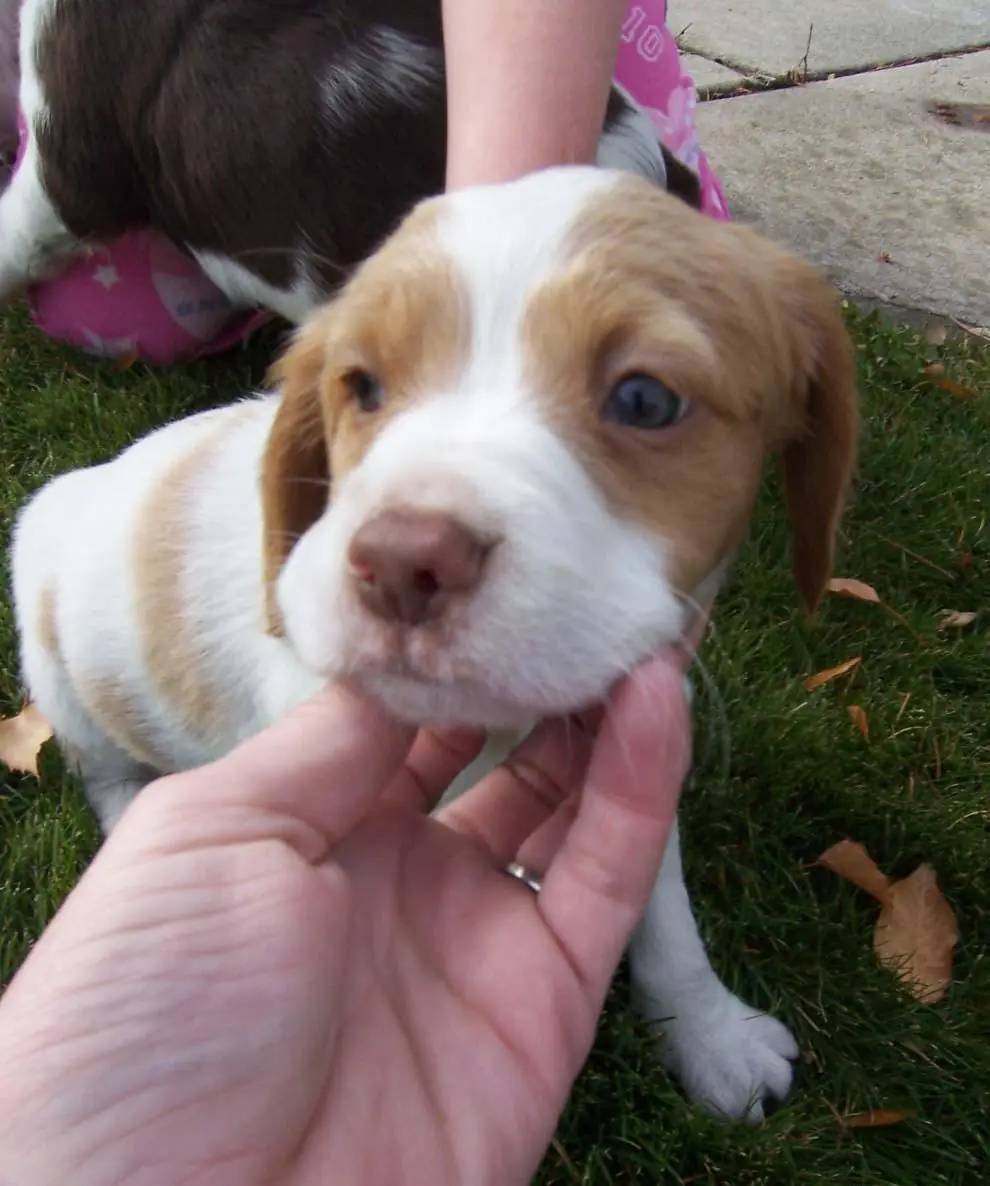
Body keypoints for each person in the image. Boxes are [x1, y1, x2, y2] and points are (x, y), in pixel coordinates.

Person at [0, 6, 701, 1183]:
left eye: (638, 404)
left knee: (595, 758)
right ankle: (116, 776)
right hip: (79, 570)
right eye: (369, 388)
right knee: (47, 544)